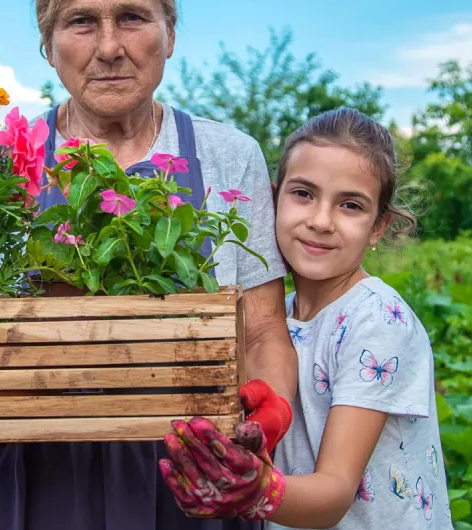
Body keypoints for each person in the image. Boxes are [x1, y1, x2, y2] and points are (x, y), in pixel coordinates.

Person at [0, 0, 300, 529]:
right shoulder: (1, 164)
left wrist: (262, 421)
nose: (109, 46)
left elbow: (264, 331)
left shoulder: (226, 155)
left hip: (181, 478)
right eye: (81, 22)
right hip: (24, 480)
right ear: (47, 45)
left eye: (132, 17)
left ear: (170, 33)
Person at [158, 109, 452, 529]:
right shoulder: (274, 319)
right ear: (271, 201)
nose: (320, 221)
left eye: (350, 205)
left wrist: (258, 490)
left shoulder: (376, 319)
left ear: (378, 227)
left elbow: (335, 491)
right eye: (303, 194)